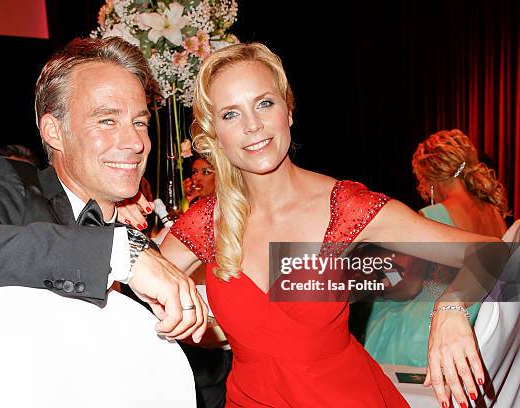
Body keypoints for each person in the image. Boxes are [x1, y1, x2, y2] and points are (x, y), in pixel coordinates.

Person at [159, 42, 506, 408]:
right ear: (215, 135)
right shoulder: (206, 221)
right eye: (231, 114)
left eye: (264, 103)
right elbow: (135, 290)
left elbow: (494, 253)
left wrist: (451, 307)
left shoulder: (344, 207)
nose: (253, 125)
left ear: (287, 111)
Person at [0, 37, 207, 344]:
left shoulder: (138, 240)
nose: (136, 142)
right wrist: (117, 254)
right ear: (54, 132)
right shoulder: (14, 185)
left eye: (140, 123)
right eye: (107, 120)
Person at [364, 129, 509, 367]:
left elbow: (408, 286)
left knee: (380, 311)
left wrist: (378, 281)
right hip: (480, 324)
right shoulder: (495, 215)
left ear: (430, 178)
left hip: (429, 332)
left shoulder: (431, 216)